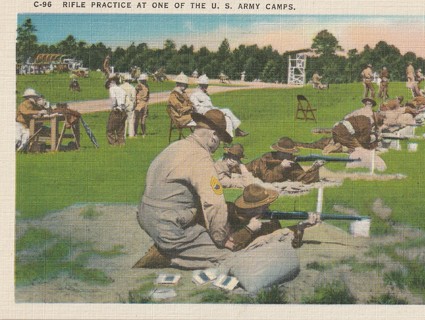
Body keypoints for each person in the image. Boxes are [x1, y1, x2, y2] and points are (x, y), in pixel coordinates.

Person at [137, 109, 235, 270]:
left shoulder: (176, 146)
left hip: (145, 214)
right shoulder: (201, 157)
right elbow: (214, 204)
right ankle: (169, 256)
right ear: (213, 136)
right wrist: (220, 239)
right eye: (220, 140)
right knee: (225, 256)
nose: (217, 147)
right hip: (167, 224)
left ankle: (170, 248)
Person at [227, 184, 321, 251]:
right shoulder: (229, 215)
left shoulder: (267, 217)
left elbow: (281, 243)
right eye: (264, 205)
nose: (268, 207)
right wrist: (249, 229)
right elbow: (230, 245)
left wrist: (300, 228)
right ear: (252, 208)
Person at [245, 137, 324, 184]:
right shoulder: (266, 159)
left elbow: (303, 178)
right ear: (279, 152)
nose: (290, 155)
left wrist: (315, 167)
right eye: (287, 153)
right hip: (247, 169)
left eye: (290, 153)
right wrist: (281, 166)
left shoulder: (289, 162)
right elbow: (267, 178)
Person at [105, 75, 127, 146]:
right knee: (120, 129)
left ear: (111, 82)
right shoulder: (121, 89)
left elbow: (114, 100)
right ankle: (122, 143)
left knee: (110, 129)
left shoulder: (112, 89)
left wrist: (113, 107)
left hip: (116, 110)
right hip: (123, 110)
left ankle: (113, 143)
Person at [120, 74, 136, 138]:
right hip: (130, 104)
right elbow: (133, 98)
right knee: (131, 120)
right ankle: (131, 134)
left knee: (123, 120)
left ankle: (123, 134)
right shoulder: (132, 87)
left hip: (122, 104)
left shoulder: (120, 87)